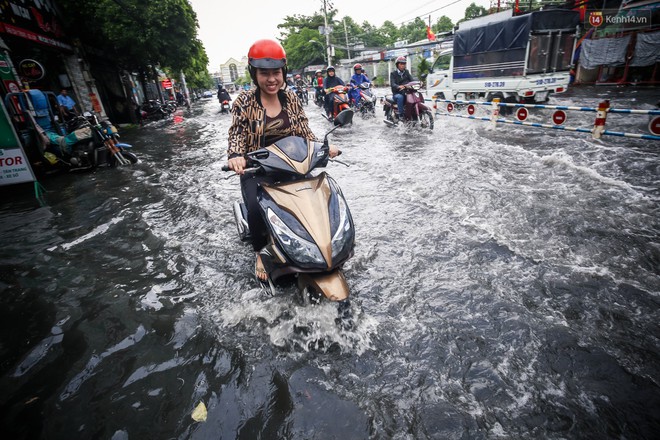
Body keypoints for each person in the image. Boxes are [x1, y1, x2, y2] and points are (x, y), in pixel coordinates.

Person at [226, 39, 339, 282]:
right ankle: (259, 252)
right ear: (254, 74)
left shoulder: (292, 99)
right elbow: (236, 133)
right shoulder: (243, 102)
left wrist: (324, 147)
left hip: (292, 166)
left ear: (283, 72)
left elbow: (305, 132)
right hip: (257, 169)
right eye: (264, 73)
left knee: (319, 195)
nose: (271, 79)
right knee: (256, 208)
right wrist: (236, 156)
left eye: (275, 72)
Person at [390, 56, 414, 121]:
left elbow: (412, 80)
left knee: (415, 95)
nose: (403, 65)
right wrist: (398, 86)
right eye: (401, 64)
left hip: (406, 91)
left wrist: (418, 83)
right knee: (400, 97)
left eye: (404, 64)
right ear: (397, 65)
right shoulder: (393, 74)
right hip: (397, 93)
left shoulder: (406, 72)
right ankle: (401, 115)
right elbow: (392, 84)